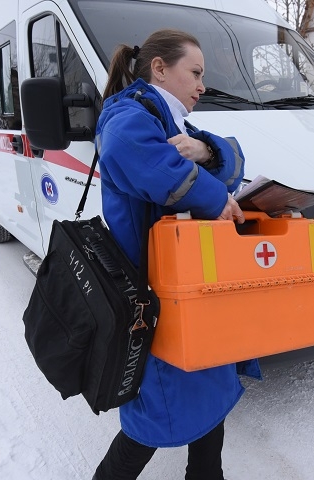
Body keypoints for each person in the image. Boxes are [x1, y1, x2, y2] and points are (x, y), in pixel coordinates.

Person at [93, 29, 260, 480]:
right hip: (157, 296)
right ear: (160, 69)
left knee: (210, 395)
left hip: (196, 287)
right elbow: (143, 160)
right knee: (157, 412)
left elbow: (235, 160)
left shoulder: (174, 120)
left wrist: (205, 149)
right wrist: (217, 196)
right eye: (196, 73)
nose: (203, 86)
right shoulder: (129, 116)